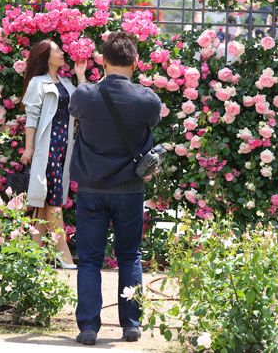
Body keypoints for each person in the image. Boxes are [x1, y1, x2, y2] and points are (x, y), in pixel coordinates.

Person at [70, 32, 162, 346]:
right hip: (130, 189)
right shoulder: (147, 98)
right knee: (129, 257)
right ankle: (131, 324)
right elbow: (152, 123)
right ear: (135, 63)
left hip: (91, 188)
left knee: (90, 260)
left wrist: (82, 77)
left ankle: (88, 327)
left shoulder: (85, 95)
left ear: (103, 62)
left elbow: (78, 105)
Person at [21, 39, 87, 270]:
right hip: (46, 147)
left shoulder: (67, 83)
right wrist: (29, 148)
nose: (61, 52)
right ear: (46, 57)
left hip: (63, 148)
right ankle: (62, 251)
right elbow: (32, 118)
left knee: (44, 200)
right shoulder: (37, 83)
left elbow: (82, 105)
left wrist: (80, 76)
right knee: (54, 197)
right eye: (56, 50)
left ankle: (34, 254)